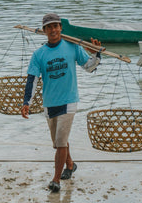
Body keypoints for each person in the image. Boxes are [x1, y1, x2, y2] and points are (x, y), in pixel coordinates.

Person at [21, 13, 102, 193]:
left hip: (69, 100)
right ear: (44, 31)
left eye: (56, 26)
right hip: (49, 103)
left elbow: (89, 67)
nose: (53, 30)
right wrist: (27, 101)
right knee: (59, 142)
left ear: (61, 28)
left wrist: (96, 54)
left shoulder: (72, 46)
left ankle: (56, 179)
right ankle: (70, 165)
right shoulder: (39, 54)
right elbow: (32, 79)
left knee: (60, 142)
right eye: (49, 27)